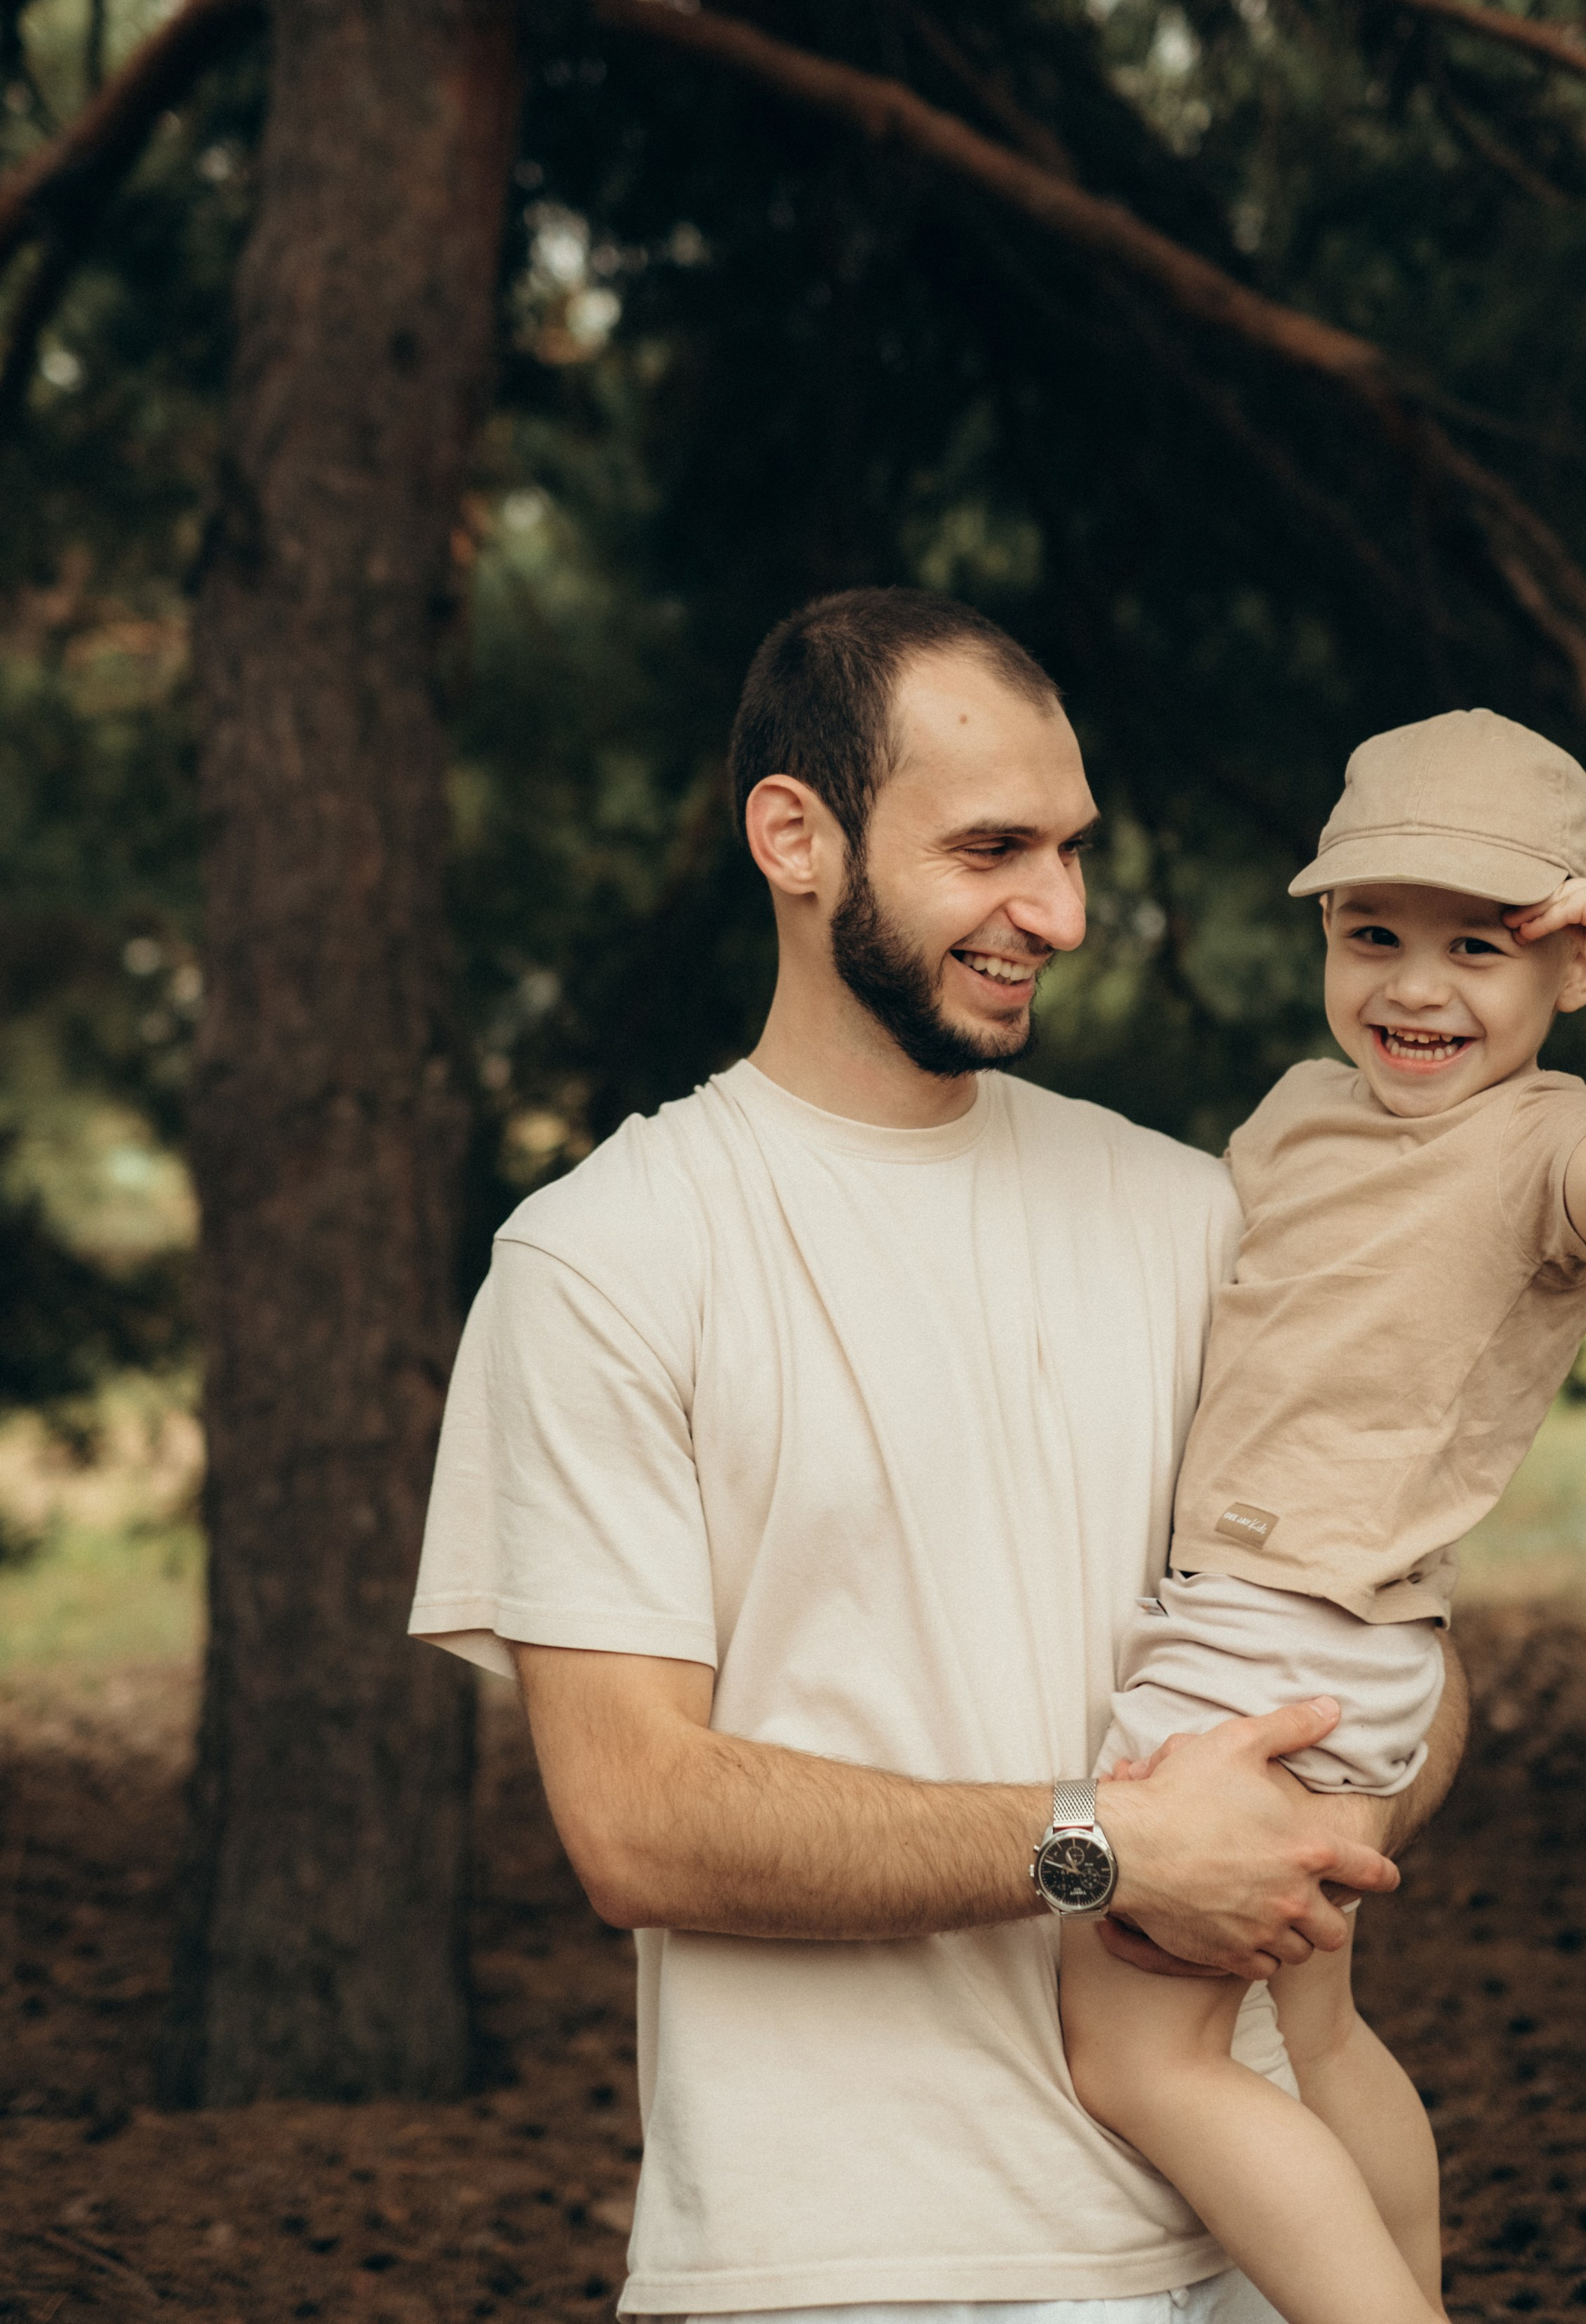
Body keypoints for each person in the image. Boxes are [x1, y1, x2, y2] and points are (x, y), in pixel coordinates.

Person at [410, 587, 1469, 2324]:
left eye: (1068, 849)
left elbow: (1406, 1659)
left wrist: (1315, 1813)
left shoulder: (1194, 1214)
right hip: (857, 2270)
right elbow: (633, 1823)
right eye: (990, 848)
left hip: (1259, 2240)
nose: (1053, 912)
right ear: (793, 837)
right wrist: (1111, 1846)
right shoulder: (608, 1258)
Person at [1058, 710, 1586, 2324]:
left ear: (1567, 969)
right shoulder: (1298, 1109)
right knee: (1318, 2029)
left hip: (1274, 1641)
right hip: (1322, 1643)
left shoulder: (1541, 1142)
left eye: (1478, 949)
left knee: (1138, 2055)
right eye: (1372, 936)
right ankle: (1412, 2281)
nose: (1413, 988)